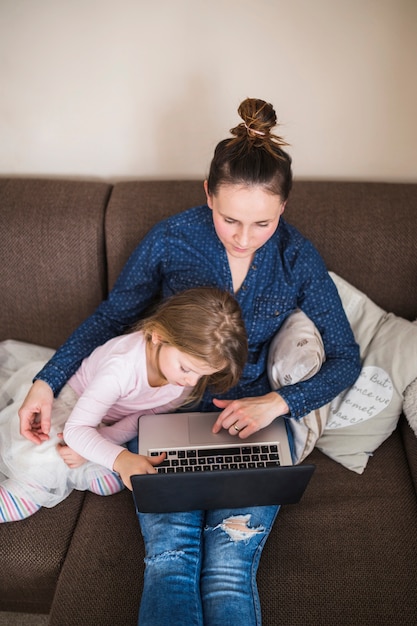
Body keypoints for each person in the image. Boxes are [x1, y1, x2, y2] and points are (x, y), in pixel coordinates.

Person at [18, 98, 361, 625]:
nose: (244, 237)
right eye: (230, 219)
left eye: (262, 223)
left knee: (229, 566)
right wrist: (48, 380)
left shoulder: (298, 257)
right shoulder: (172, 238)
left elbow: (345, 359)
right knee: (171, 561)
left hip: (251, 424)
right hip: (164, 416)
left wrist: (277, 402)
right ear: (207, 195)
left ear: (284, 208)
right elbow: (113, 317)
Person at [0, 287, 247, 522]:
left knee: (109, 483)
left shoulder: (183, 380)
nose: (191, 382)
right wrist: (120, 458)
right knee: (42, 467)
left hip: (103, 422)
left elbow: (141, 418)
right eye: (186, 369)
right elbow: (76, 429)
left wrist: (102, 439)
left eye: (201, 375)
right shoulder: (122, 367)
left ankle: (82, 458)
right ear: (158, 336)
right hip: (71, 409)